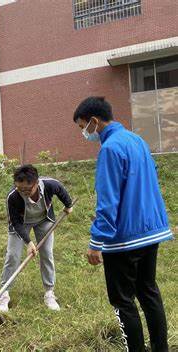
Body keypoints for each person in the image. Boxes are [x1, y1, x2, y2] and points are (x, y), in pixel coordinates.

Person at [73, 96, 173, 352]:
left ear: (95, 121)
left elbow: (108, 201)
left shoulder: (110, 149)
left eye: (83, 126)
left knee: (122, 301)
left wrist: (97, 241)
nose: (84, 133)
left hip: (124, 238)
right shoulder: (136, 140)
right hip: (151, 232)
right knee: (148, 292)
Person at [0, 165, 73, 312]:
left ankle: (49, 292)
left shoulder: (50, 185)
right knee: (12, 256)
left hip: (43, 220)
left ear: (36, 183)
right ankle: (4, 294)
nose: (24, 192)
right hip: (21, 223)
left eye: (27, 189)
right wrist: (29, 242)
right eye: (20, 189)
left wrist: (68, 205)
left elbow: (61, 191)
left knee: (47, 254)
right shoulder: (13, 196)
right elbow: (15, 222)